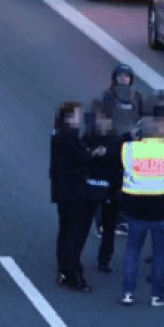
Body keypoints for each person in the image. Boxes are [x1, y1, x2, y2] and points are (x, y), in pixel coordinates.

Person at [119, 112, 164, 307]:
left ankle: (128, 293)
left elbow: (118, 156)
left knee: (132, 250)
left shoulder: (129, 148)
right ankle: (157, 295)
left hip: (136, 206)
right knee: (160, 252)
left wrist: (129, 135)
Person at [50, 101, 106, 293]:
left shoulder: (58, 134)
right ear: (70, 117)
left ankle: (63, 270)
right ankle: (74, 273)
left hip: (61, 191)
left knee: (64, 232)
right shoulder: (70, 136)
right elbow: (82, 157)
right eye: (78, 114)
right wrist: (95, 152)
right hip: (75, 192)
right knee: (76, 234)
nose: (80, 117)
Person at [92, 63, 146, 236]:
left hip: (130, 148)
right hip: (110, 146)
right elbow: (97, 121)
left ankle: (121, 220)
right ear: (114, 78)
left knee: (126, 186)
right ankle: (102, 223)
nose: (123, 79)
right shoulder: (106, 97)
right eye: (120, 76)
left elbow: (145, 118)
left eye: (126, 76)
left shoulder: (137, 97)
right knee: (105, 186)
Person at [83, 107, 123, 273]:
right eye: (100, 120)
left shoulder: (117, 140)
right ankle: (76, 256)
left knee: (109, 228)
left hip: (110, 188)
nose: (103, 123)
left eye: (106, 120)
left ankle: (104, 260)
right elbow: (80, 159)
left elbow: (121, 164)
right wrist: (93, 154)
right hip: (91, 186)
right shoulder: (88, 138)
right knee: (82, 225)